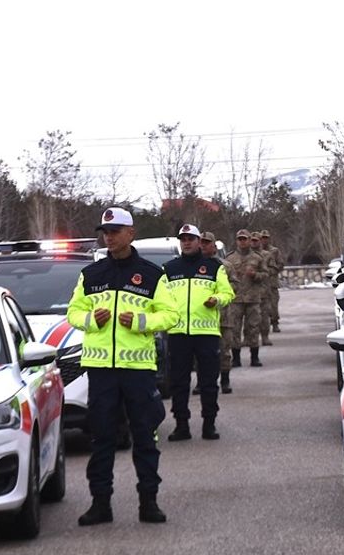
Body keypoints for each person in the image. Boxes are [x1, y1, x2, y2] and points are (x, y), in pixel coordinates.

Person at [67, 207, 178, 525]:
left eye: (115, 231)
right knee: (102, 439)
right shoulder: (92, 274)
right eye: (105, 232)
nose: (109, 237)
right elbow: (73, 312)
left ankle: (149, 503)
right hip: (101, 371)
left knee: (145, 436)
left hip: (138, 371)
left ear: (131, 233)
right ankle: (101, 504)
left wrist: (142, 321)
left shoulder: (152, 274)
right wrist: (90, 319)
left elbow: (170, 315)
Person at [162, 224, 235, 442]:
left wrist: (217, 299)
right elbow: (161, 298)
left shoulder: (214, 267)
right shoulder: (169, 268)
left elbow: (227, 292)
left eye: (191, 239)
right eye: (183, 239)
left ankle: (209, 423)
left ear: (198, 241)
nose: (187, 242)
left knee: (208, 382)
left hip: (206, 333)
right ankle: (181, 424)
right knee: (179, 382)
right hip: (178, 334)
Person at [222, 229, 267, 369]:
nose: (242, 242)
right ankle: (236, 358)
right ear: (236, 241)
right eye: (240, 239)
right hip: (236, 299)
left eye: (245, 239)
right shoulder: (229, 259)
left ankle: (255, 357)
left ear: (249, 240)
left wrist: (256, 275)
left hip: (253, 298)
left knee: (253, 327)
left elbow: (266, 274)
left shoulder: (258, 258)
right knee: (235, 329)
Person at [202, 231, 236, 394]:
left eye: (207, 243)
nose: (203, 246)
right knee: (202, 353)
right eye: (201, 242)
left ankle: (225, 380)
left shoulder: (226, 266)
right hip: (202, 318)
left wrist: (219, 294)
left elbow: (235, 287)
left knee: (224, 350)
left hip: (224, 317)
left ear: (214, 246)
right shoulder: (194, 266)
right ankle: (202, 381)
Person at [259, 229, 283, 336]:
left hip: (272, 282)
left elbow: (280, 264)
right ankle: (262, 325)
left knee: (273, 305)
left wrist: (272, 270)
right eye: (262, 238)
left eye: (266, 238)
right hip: (260, 283)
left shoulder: (274, 251)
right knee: (261, 306)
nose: (264, 240)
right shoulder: (255, 251)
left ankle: (275, 323)